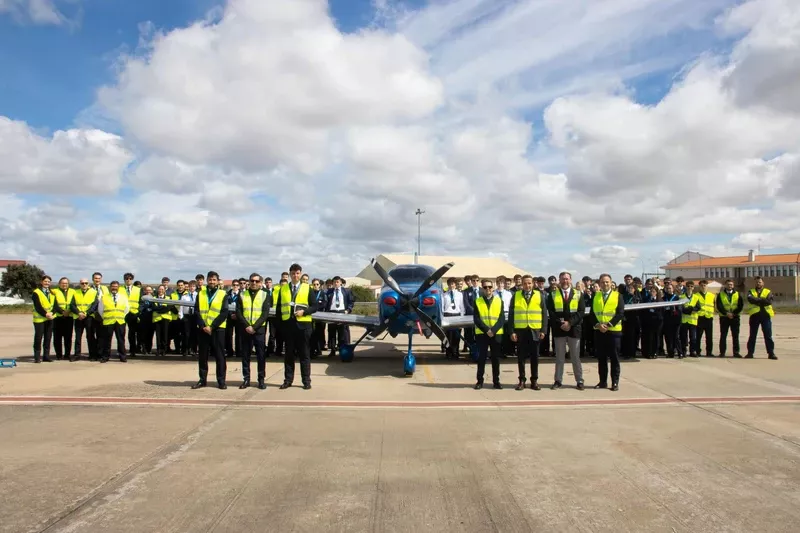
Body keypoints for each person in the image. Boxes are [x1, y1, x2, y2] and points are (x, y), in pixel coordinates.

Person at [275, 264, 318, 389]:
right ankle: (288, 380)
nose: (295, 275)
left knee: (304, 355)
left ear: (300, 274)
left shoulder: (307, 288)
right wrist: (280, 327)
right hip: (288, 327)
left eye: (297, 273)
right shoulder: (283, 289)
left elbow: (315, 306)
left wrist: (304, 312)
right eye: (293, 273)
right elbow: (278, 309)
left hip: (303, 326)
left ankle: (306, 381)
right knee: (288, 355)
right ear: (290, 274)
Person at [191, 271, 229, 389]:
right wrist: (203, 326)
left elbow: (224, 312)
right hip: (203, 329)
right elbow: (197, 311)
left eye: (214, 280)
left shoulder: (223, 294)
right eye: (210, 279)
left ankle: (221, 381)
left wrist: (212, 327)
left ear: (217, 281)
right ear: (207, 280)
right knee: (202, 356)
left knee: (220, 356)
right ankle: (202, 380)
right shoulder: (201, 293)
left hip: (217, 329)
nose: (212, 282)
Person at [508, 274, 547, 390]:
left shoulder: (539, 295)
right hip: (521, 331)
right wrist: (511, 331)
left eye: (529, 283)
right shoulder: (516, 295)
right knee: (521, 357)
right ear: (522, 284)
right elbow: (511, 315)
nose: (527, 285)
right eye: (525, 283)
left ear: (533, 284)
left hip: (535, 330)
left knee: (535, 357)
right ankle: (522, 380)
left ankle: (534, 380)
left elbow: (544, 314)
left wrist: (543, 330)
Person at [547, 272, 584, 390]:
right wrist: (561, 323)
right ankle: (558, 380)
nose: (565, 281)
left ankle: (579, 380)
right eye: (562, 279)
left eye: (567, 279)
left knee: (575, 357)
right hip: (559, 330)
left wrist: (570, 323)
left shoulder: (578, 294)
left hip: (574, 330)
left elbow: (581, 312)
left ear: (571, 280)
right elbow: (551, 312)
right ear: (559, 280)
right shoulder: (552, 294)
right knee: (559, 358)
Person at [591, 274, 624, 391]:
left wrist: (608, 325)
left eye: (607, 282)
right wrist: (598, 325)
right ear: (599, 284)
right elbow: (592, 314)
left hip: (613, 332)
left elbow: (620, 313)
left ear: (611, 283)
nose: (605, 284)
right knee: (601, 358)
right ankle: (603, 382)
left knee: (614, 358)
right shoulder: (596, 296)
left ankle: (615, 382)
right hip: (599, 332)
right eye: (602, 282)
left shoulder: (617, 295)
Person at [237, 273, 271, 389]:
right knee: (245, 356)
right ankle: (246, 379)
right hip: (245, 330)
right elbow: (239, 312)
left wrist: (254, 327)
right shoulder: (242, 294)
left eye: (257, 281)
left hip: (259, 330)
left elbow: (265, 313)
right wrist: (247, 326)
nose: (254, 283)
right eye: (252, 281)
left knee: (261, 356)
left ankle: (261, 380)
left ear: (260, 283)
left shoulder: (265, 295)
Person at [473, 279, 505, 390]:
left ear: (493, 288)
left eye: (490, 287)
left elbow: (501, 318)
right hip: (482, 334)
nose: (488, 289)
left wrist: (493, 330)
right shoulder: (477, 301)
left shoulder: (499, 301)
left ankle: (496, 381)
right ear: (482, 288)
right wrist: (487, 330)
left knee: (495, 359)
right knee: (481, 358)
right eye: (485, 287)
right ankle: (479, 381)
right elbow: (476, 319)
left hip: (496, 334)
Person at [97, 280, 129, 363]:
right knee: (106, 340)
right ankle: (105, 356)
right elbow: (100, 310)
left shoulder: (123, 297)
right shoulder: (104, 297)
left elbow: (126, 309)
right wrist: (106, 317)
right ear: (110, 287)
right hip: (108, 321)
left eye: (116, 286)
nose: (114, 288)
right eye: (113, 286)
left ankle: (122, 356)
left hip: (120, 321)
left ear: (118, 287)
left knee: (121, 340)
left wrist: (120, 315)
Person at [746, 276, 777, 360]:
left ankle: (771, 353)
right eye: (757, 282)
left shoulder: (768, 291)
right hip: (754, 316)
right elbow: (750, 299)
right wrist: (762, 300)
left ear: (763, 283)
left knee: (768, 335)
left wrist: (757, 300)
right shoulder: (751, 291)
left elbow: (769, 301)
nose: (758, 283)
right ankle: (750, 353)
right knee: (752, 335)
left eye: (759, 282)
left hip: (765, 316)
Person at [716, 279, 743, 358]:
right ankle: (722, 352)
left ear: (733, 286)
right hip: (724, 318)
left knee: (735, 336)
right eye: (728, 284)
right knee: (723, 335)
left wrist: (733, 314)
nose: (729, 286)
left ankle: (736, 352)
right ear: (725, 285)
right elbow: (719, 306)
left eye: (731, 284)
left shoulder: (738, 294)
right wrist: (726, 313)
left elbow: (740, 305)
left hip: (735, 317)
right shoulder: (720, 294)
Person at [32, 275, 56, 363]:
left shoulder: (52, 293)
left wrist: (52, 313)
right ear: (41, 282)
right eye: (45, 281)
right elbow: (38, 306)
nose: (47, 283)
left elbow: (55, 305)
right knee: (38, 338)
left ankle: (46, 356)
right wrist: (46, 314)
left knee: (48, 338)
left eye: (48, 282)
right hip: (39, 319)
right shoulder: (36, 292)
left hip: (50, 318)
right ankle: (37, 357)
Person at [52, 277, 77, 361]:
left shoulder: (73, 291)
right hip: (58, 317)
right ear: (59, 284)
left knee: (68, 337)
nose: (64, 285)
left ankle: (67, 355)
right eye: (62, 283)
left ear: (68, 284)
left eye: (66, 283)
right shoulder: (54, 291)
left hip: (69, 317)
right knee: (57, 337)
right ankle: (59, 355)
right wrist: (62, 311)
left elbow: (74, 303)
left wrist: (69, 311)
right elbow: (54, 304)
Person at [72, 278, 97, 359]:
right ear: (80, 284)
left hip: (89, 317)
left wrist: (86, 313)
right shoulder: (76, 292)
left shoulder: (93, 292)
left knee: (90, 336)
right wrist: (78, 313)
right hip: (78, 317)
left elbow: (94, 305)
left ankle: (92, 355)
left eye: (86, 283)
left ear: (88, 284)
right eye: (82, 283)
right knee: (78, 337)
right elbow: (72, 305)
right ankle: (77, 355)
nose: (84, 284)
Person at [441, 277, 465, 359]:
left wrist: (462, 317)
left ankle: (456, 351)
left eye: (453, 284)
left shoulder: (460, 294)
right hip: (447, 315)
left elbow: (462, 306)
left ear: (455, 285)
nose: (451, 286)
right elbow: (442, 307)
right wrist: (443, 317)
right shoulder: (444, 295)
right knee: (448, 335)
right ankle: (448, 352)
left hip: (456, 315)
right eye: (450, 284)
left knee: (456, 335)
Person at [680, 281, 702, 357]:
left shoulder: (696, 297)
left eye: (691, 286)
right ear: (686, 287)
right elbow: (681, 308)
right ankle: (684, 351)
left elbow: (698, 307)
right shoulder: (682, 297)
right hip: (684, 321)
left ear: (693, 288)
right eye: (688, 286)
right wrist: (690, 310)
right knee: (683, 337)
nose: (690, 288)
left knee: (693, 338)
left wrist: (691, 309)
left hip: (693, 321)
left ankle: (692, 351)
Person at [122, 273, 141, 357]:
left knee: (132, 333)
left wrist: (139, 311)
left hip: (133, 313)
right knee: (121, 333)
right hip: (122, 313)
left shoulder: (138, 289)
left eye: (130, 278)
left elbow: (141, 302)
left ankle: (132, 350)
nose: (128, 280)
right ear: (124, 280)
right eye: (126, 279)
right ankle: (121, 350)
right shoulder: (120, 289)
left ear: (132, 280)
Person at [695, 280, 716, 357]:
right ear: (699, 286)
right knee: (698, 336)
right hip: (699, 317)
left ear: (707, 286)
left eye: (705, 285)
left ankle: (709, 352)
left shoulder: (712, 295)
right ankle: (697, 351)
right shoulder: (696, 295)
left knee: (709, 336)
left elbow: (714, 305)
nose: (703, 287)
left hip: (708, 318)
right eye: (701, 285)